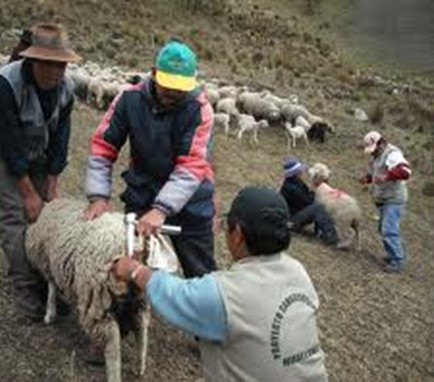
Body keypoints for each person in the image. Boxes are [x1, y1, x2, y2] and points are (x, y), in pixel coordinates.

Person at [112, 186, 328, 381]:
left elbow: (174, 294)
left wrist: (134, 270)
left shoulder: (224, 293)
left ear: (237, 235)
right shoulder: (298, 272)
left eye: (227, 226)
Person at [84, 40, 217, 278]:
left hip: (192, 200)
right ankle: (137, 311)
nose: (174, 93)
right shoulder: (128, 100)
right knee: (133, 263)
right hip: (144, 190)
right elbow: (103, 147)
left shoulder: (199, 109)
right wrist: (98, 196)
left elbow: (191, 166)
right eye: (168, 85)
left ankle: (203, 313)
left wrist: (162, 209)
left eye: (180, 88)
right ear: (154, 74)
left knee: (200, 269)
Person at [0, 23, 80, 320]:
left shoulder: (66, 88)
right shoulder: (5, 84)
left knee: (44, 213)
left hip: (38, 149)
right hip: (0, 149)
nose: (54, 73)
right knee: (16, 212)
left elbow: (61, 136)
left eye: (60, 65)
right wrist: (27, 191)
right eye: (47, 65)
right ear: (32, 59)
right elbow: (9, 141)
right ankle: (23, 288)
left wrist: (51, 180)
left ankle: (42, 280)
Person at [359, 131, 411, 273]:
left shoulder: (393, 154)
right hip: (384, 198)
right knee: (383, 228)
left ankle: (397, 261)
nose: (372, 153)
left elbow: (405, 171)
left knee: (389, 229)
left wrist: (388, 176)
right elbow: (377, 173)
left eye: (374, 149)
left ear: (381, 143)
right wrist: (367, 179)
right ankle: (392, 254)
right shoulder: (377, 156)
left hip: (394, 199)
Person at [280, 157, 338, 246]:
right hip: (290, 222)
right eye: (299, 170)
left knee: (319, 206)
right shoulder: (291, 188)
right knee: (318, 207)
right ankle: (331, 237)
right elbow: (308, 201)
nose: (302, 171)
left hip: (294, 216)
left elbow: (308, 196)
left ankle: (322, 231)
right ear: (295, 173)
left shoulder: (296, 182)